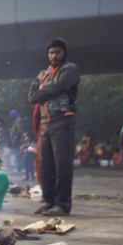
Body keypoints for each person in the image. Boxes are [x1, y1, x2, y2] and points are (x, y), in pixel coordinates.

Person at [28, 38, 80, 216]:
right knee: (46, 165)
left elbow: (63, 84)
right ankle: (48, 201)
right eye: (51, 52)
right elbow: (32, 97)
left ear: (64, 53)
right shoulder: (43, 73)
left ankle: (62, 204)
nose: (54, 55)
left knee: (62, 165)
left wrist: (43, 88)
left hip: (63, 120)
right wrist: (49, 88)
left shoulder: (71, 69)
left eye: (58, 52)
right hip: (45, 123)